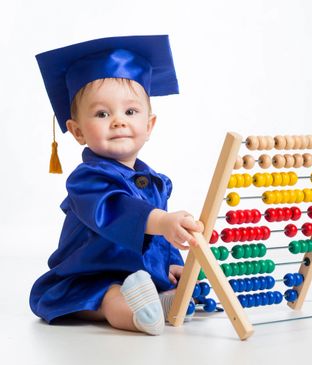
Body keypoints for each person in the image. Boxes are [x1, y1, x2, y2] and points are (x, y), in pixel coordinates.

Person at [29, 35, 203, 336]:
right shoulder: (86, 179)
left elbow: (161, 238)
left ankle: (158, 302)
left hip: (141, 274)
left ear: (149, 126)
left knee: (169, 290)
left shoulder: (155, 182)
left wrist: (173, 262)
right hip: (89, 274)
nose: (118, 121)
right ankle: (136, 316)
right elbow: (115, 209)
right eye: (102, 113)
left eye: (131, 112)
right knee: (109, 296)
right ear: (77, 131)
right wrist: (162, 221)